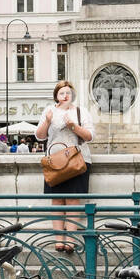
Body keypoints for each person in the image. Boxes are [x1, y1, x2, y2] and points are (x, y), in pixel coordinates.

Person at [36, 80, 95, 253]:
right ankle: (58, 239)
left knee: (73, 200)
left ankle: (70, 240)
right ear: (56, 96)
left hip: (77, 159)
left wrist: (73, 126)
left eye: (68, 92)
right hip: (55, 160)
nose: (65, 95)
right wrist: (47, 122)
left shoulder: (80, 111)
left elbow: (90, 136)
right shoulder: (49, 111)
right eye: (62, 93)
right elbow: (39, 136)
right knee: (57, 200)